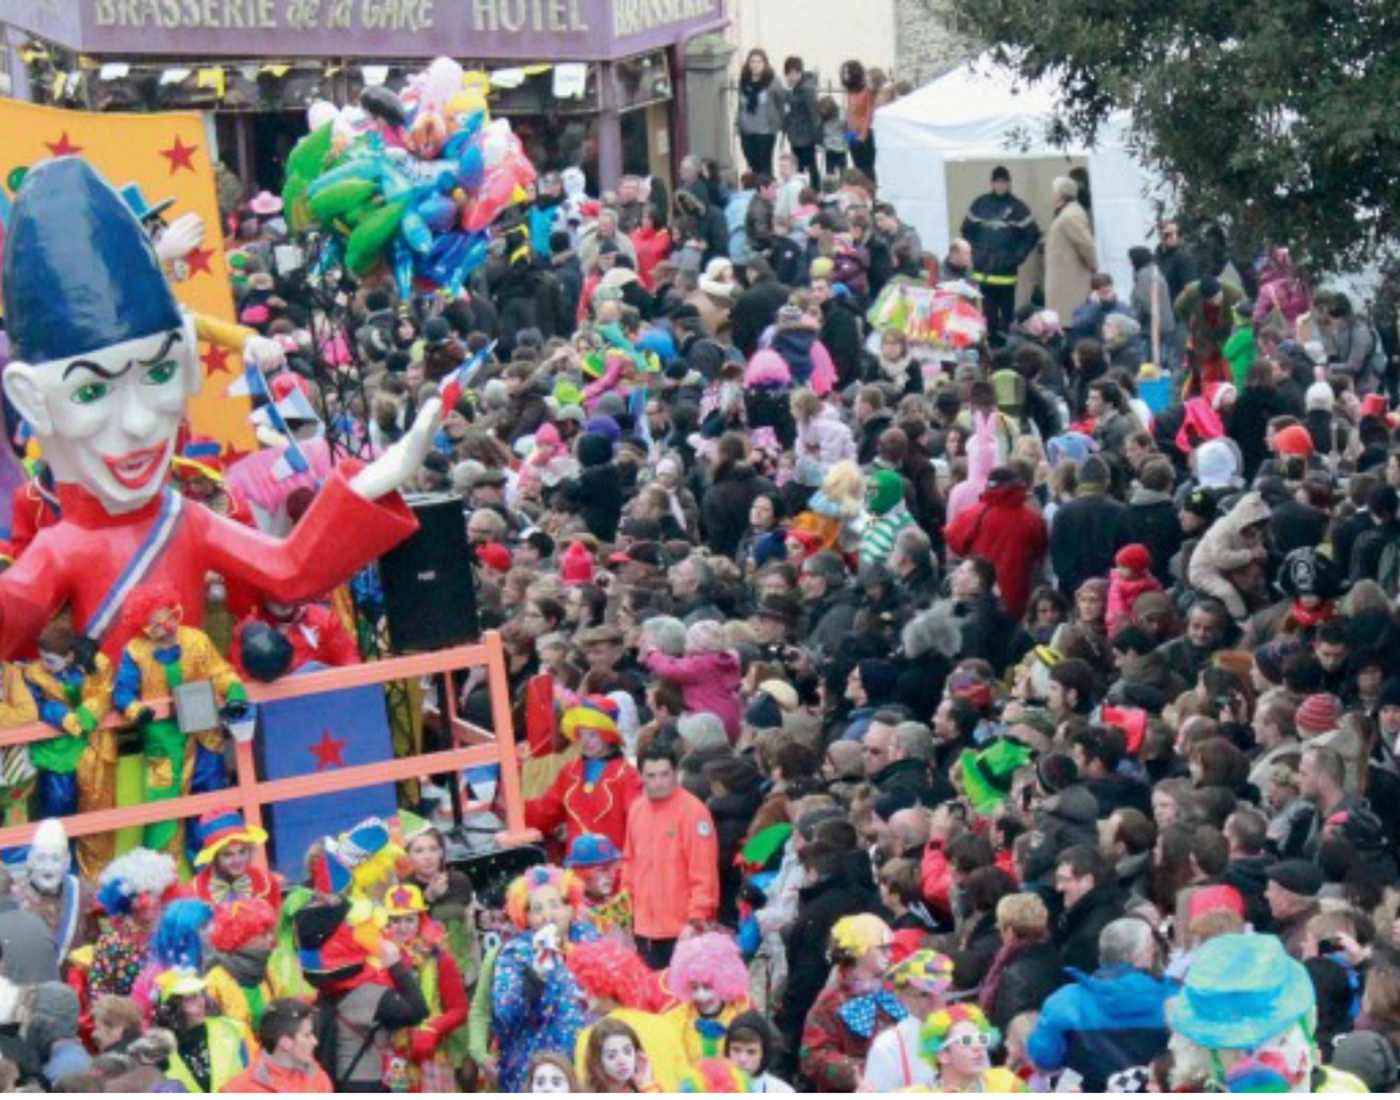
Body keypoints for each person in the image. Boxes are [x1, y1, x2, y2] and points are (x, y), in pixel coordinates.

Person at [1027, 918, 1176, 1092]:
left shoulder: (1064, 1001)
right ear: (1139, 957)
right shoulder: (1175, 998)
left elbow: (1043, 1060)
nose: (1154, 954)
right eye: (1151, 950)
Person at [622, 741, 719, 970]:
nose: (659, 782)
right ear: (641, 776)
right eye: (651, 776)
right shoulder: (636, 810)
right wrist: (626, 913)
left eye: (664, 774)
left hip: (682, 930)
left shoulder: (694, 812)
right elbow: (629, 865)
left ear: (676, 773)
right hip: (643, 929)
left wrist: (697, 919)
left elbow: (704, 873)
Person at [962, 167, 1040, 337]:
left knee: (1007, 317)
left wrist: (1018, 256)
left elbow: (1033, 234)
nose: (1000, 185)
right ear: (992, 183)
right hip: (983, 273)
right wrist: (975, 253)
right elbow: (966, 230)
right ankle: (990, 344)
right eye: (997, 182)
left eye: (1004, 182)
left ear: (1009, 183)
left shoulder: (1018, 207)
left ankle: (1007, 345)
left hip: (1007, 274)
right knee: (988, 315)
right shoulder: (980, 204)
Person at [219, 997, 334, 1093]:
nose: (315, 1041)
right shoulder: (239, 1090)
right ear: (285, 1042)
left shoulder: (319, 1079)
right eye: (307, 1035)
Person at [919, 1004, 1025, 1093]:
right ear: (943, 1055)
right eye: (967, 1041)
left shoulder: (1007, 1085)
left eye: (981, 1039)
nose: (978, 1047)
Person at [1044, 177, 1097, 322]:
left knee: (1067, 319)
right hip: (1066, 278)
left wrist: (1094, 267)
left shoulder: (1069, 216)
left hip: (1069, 280)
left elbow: (1086, 245)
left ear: (1060, 194)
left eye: (1054, 191)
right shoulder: (1068, 213)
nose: (1052, 195)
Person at [737, 49, 785, 176]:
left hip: (765, 132)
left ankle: (767, 186)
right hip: (746, 132)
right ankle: (757, 186)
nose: (755, 65)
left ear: (765, 63)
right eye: (752, 61)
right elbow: (740, 106)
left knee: (764, 166)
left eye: (759, 61)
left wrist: (779, 124)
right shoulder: (744, 81)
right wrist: (738, 125)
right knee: (752, 164)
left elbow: (781, 103)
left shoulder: (773, 82)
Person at [782, 57, 821, 182]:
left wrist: (817, 138)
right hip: (795, 136)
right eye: (789, 74)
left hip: (806, 137)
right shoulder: (793, 89)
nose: (792, 77)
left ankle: (814, 190)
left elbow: (814, 114)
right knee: (799, 169)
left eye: (795, 73)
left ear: (801, 73)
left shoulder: (807, 89)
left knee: (810, 168)